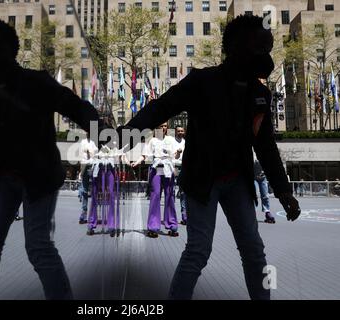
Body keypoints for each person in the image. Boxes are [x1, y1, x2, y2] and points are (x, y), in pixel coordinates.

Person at [121, 15, 301, 300]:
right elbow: (162, 107)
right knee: (198, 250)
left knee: (253, 250)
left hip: (238, 181)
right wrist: (127, 134)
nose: (264, 54)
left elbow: (266, 147)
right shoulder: (202, 81)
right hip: (202, 179)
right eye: (258, 46)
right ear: (237, 47)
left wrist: (284, 191)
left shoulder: (260, 94)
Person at [0, 20, 103, 300]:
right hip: (6, 179)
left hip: (40, 177)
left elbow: (75, 106)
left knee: (38, 246)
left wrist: (101, 131)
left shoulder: (37, 82)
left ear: (3, 52)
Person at [132, 122, 179, 238]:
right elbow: (144, 155)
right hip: (156, 168)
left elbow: (175, 156)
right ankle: (153, 227)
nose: (163, 128)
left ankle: (172, 226)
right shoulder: (153, 141)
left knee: (169, 196)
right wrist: (136, 162)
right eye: (161, 126)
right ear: (157, 127)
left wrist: (178, 153)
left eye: (165, 126)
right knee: (155, 195)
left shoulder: (171, 140)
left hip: (168, 168)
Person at [78, 133, 98, 224]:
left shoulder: (93, 143)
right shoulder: (82, 142)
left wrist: (91, 152)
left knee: (94, 189)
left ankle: (93, 213)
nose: (87, 133)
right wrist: (80, 171)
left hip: (91, 165)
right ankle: (84, 212)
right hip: (84, 165)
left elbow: (95, 154)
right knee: (84, 190)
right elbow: (80, 156)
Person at [174, 125, 187, 225]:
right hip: (173, 167)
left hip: (183, 167)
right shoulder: (171, 142)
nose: (180, 132)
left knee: (183, 193)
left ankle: (184, 217)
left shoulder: (186, 142)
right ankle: (171, 218)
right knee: (171, 192)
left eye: (182, 131)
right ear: (175, 132)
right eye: (178, 131)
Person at [254, 157, 275, 223]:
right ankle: (251, 213)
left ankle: (267, 212)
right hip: (253, 177)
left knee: (265, 195)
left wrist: (270, 185)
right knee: (254, 194)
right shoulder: (253, 157)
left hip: (263, 178)